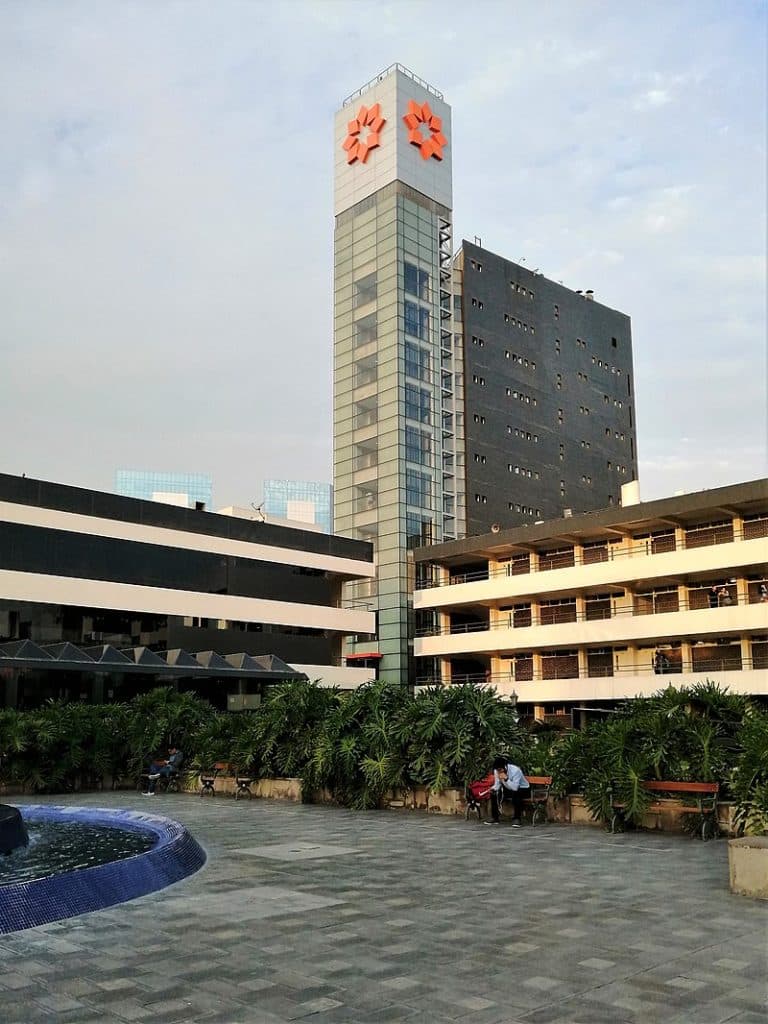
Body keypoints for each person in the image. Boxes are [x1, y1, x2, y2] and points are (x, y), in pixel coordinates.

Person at [485, 756, 530, 828]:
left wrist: (506, 779)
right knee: (494, 794)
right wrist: (493, 789)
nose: (499, 771)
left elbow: (515, 787)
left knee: (516, 794)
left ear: (505, 767)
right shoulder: (497, 771)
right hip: (509, 788)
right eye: (497, 770)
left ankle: (517, 818)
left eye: (500, 769)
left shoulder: (516, 770)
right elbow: (497, 784)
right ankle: (495, 817)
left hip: (523, 789)